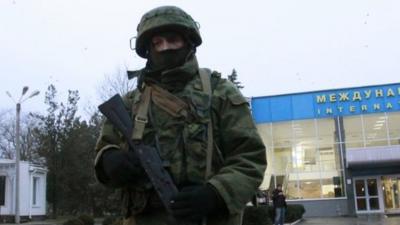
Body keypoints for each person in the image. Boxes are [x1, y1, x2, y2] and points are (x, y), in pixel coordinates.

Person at [94, 5, 267, 225]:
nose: (165, 48)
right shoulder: (130, 104)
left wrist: (215, 193)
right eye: (157, 43)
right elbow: (105, 149)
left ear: (189, 43)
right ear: (148, 50)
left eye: (172, 39)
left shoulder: (219, 93)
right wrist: (110, 160)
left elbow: (250, 157)